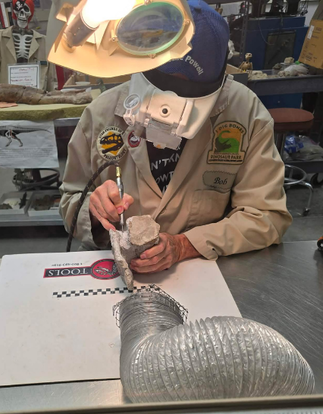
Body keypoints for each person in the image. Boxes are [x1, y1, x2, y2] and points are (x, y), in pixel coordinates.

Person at [60, 0, 290, 273]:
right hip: (114, 272)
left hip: (201, 273)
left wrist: (185, 245)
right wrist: (95, 211)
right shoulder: (101, 114)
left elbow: (266, 217)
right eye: (163, 85)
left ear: (216, 86)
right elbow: (69, 202)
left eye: (186, 92)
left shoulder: (245, 114)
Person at [0, 0, 51, 92]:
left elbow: (50, 73)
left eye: (25, 10)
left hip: (35, 91)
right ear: (14, 12)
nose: (22, 14)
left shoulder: (43, 40)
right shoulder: (0, 36)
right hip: (8, 92)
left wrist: (52, 93)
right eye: (18, 10)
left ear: (31, 13)